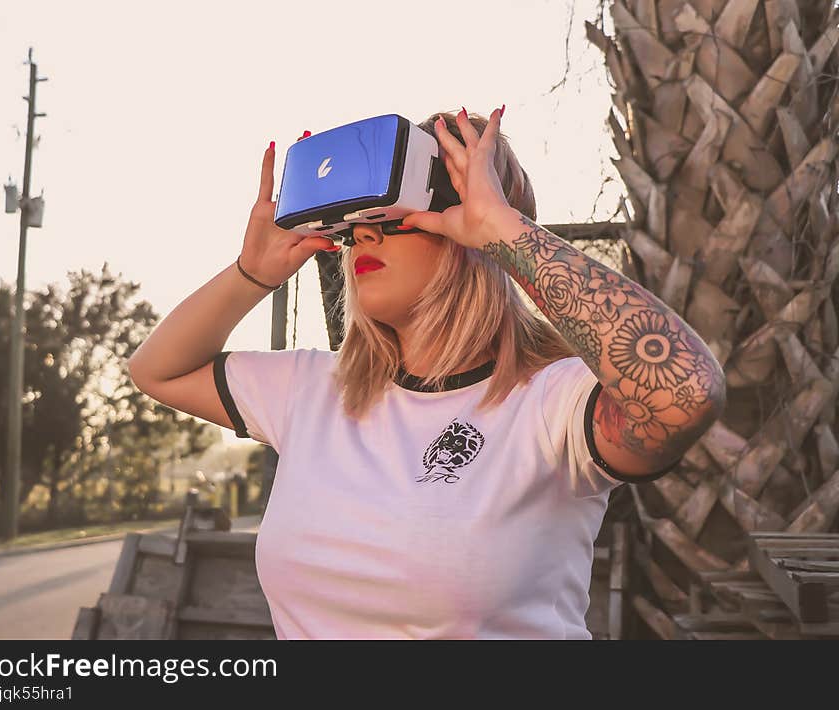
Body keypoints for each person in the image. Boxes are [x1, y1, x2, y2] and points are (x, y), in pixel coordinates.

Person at [128, 107, 726, 639]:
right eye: (357, 220)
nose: (364, 232)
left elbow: (685, 391)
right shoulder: (312, 390)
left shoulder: (553, 403)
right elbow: (158, 370)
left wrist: (505, 233)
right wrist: (250, 273)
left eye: (395, 216)